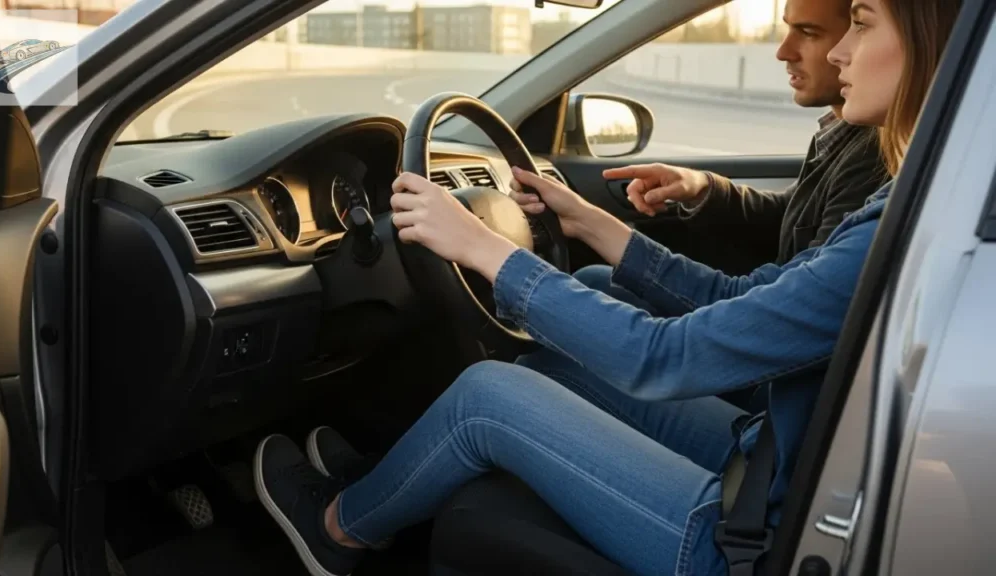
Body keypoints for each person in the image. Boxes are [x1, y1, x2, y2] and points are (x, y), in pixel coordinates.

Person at [253, 1, 962, 575]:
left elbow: (667, 357)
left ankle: (335, 532)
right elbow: (742, 295)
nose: (838, 51)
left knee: (487, 396)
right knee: (554, 355)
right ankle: (389, 482)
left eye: (860, 23)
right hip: (774, 459)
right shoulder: (911, 205)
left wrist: (483, 247)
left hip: (745, 543)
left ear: (935, 45)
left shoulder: (894, 229)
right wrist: (592, 223)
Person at [598, 0, 889, 278]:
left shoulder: (874, 158)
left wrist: (597, 229)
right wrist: (700, 187)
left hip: (768, 308)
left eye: (809, 33)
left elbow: (791, 297)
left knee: (592, 281)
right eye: (788, 28)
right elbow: (788, 216)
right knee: (596, 278)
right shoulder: (844, 135)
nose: (783, 51)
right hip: (766, 303)